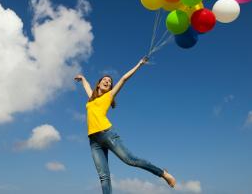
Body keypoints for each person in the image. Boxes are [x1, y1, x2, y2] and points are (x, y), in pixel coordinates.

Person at [74, 56, 176, 194]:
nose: (107, 81)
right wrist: (83, 79)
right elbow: (87, 87)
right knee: (104, 176)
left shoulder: (108, 96)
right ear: (98, 84)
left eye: (109, 82)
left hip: (107, 134)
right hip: (93, 141)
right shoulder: (91, 99)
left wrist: (139, 64)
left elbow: (123, 79)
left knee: (130, 160)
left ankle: (163, 173)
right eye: (105, 80)